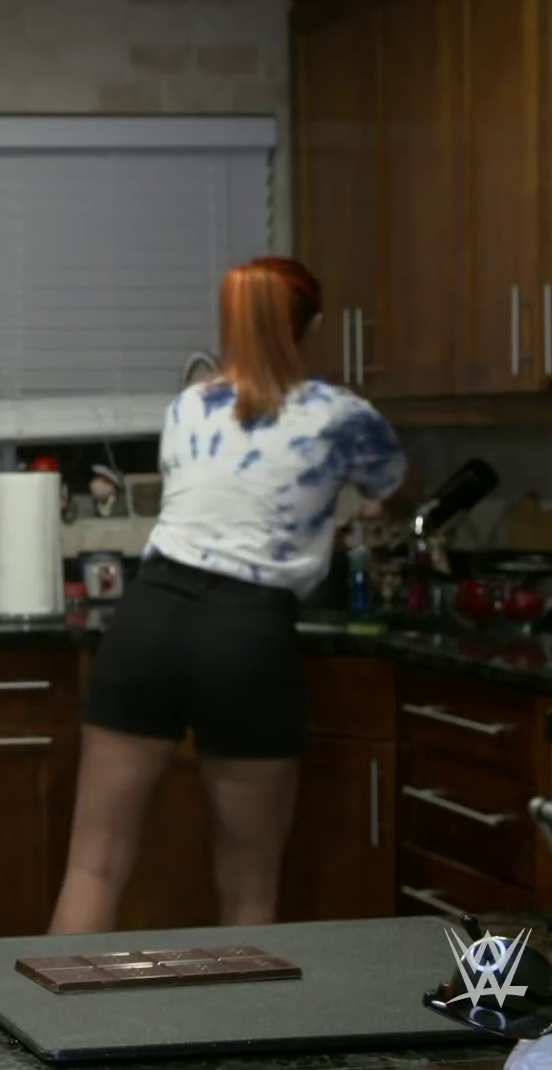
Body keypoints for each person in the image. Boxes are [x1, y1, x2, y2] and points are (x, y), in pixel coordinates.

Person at [47, 256, 406, 934]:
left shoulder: (188, 407)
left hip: (150, 620)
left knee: (93, 868)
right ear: (314, 327)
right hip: (247, 632)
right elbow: (385, 491)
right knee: (249, 891)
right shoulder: (345, 418)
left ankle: (46, 1008)